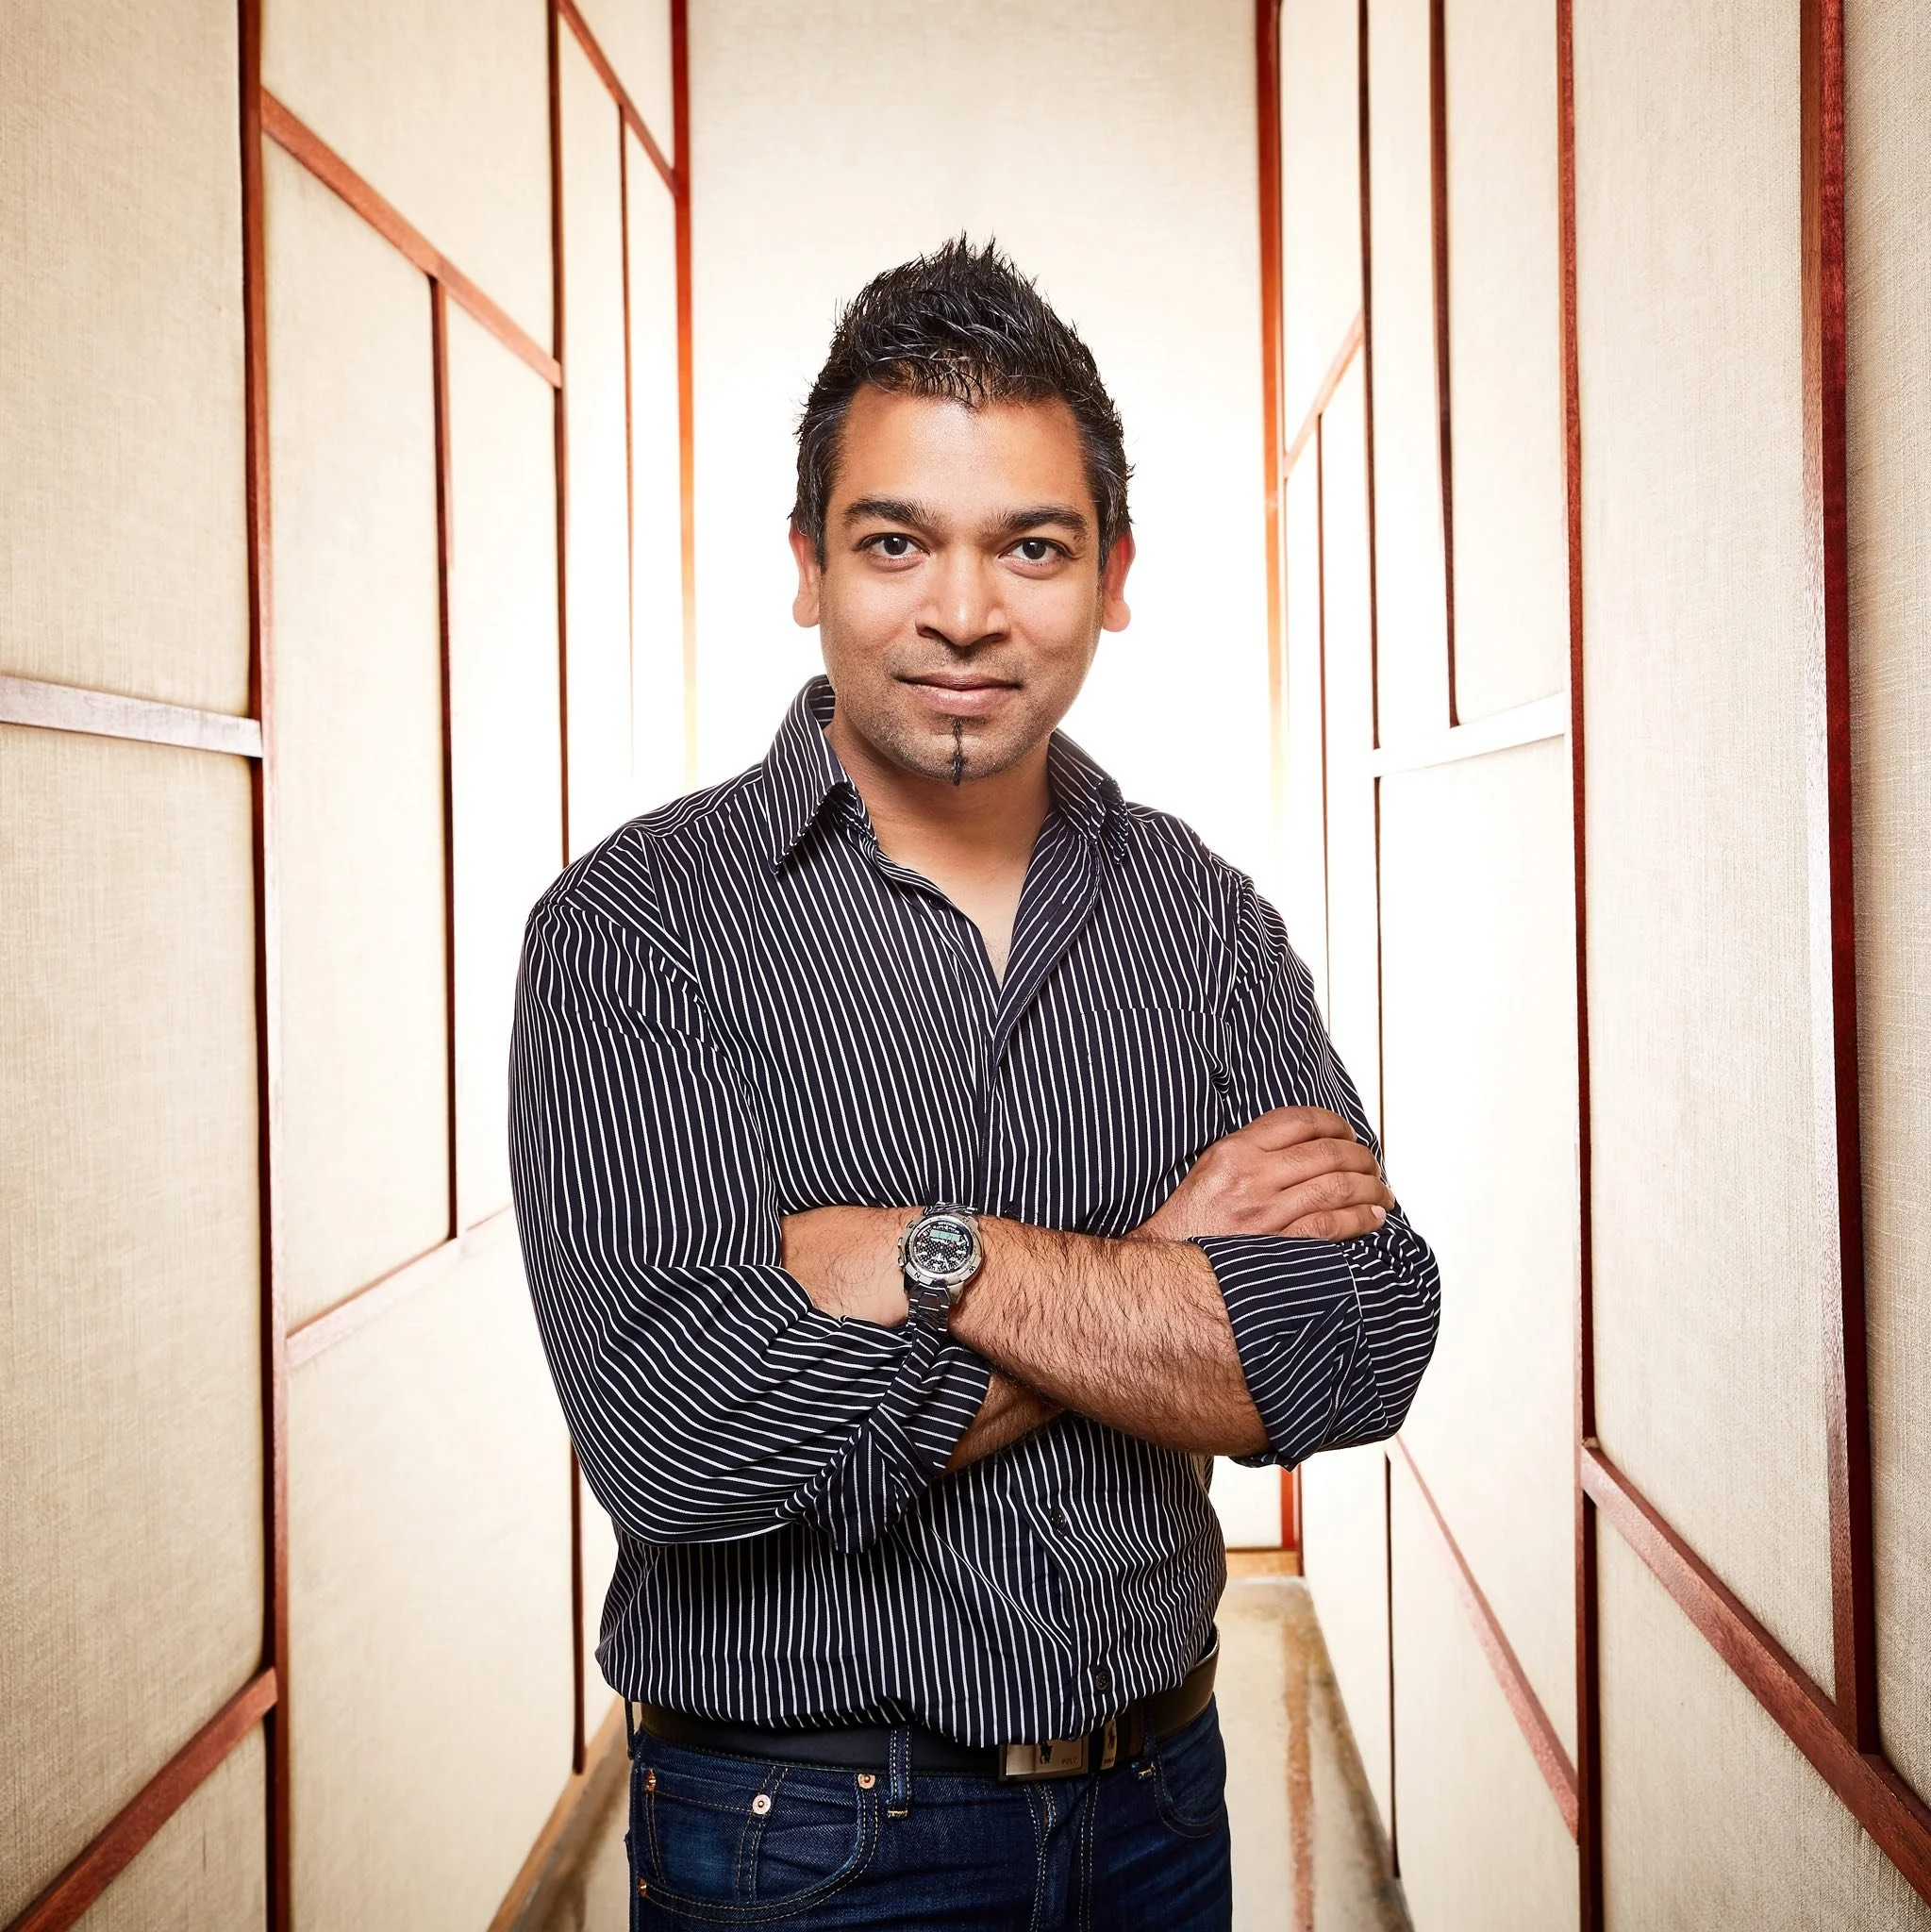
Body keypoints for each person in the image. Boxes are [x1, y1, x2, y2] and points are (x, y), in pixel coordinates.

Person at [509, 239, 1439, 1930]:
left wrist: (933, 1259)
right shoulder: (635, 930)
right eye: (894, 544)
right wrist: (1162, 1276)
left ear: (1114, 572)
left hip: (1160, 1802)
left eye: (1029, 546)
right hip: (796, 1833)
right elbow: (690, 1439)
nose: (961, 611)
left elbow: (1360, 1338)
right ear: (807, 565)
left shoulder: (1198, 916)